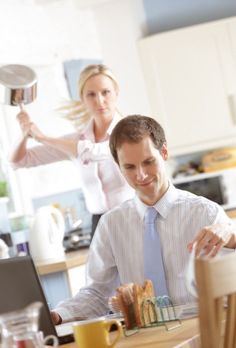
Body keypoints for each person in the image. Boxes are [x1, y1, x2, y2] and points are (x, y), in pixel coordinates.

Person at [51, 114, 236, 324]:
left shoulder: (206, 213)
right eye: (129, 167)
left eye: (148, 162)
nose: (141, 175)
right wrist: (58, 315)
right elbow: (96, 294)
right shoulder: (111, 225)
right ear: (117, 165)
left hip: (201, 332)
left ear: (164, 152)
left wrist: (233, 237)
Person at [10, 64, 134, 237]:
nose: (99, 100)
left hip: (134, 219)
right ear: (82, 98)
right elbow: (18, 161)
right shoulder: (76, 142)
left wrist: (44, 138)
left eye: (105, 92)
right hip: (100, 226)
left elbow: (96, 152)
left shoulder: (131, 132)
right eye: (91, 94)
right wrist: (24, 134)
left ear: (116, 92)